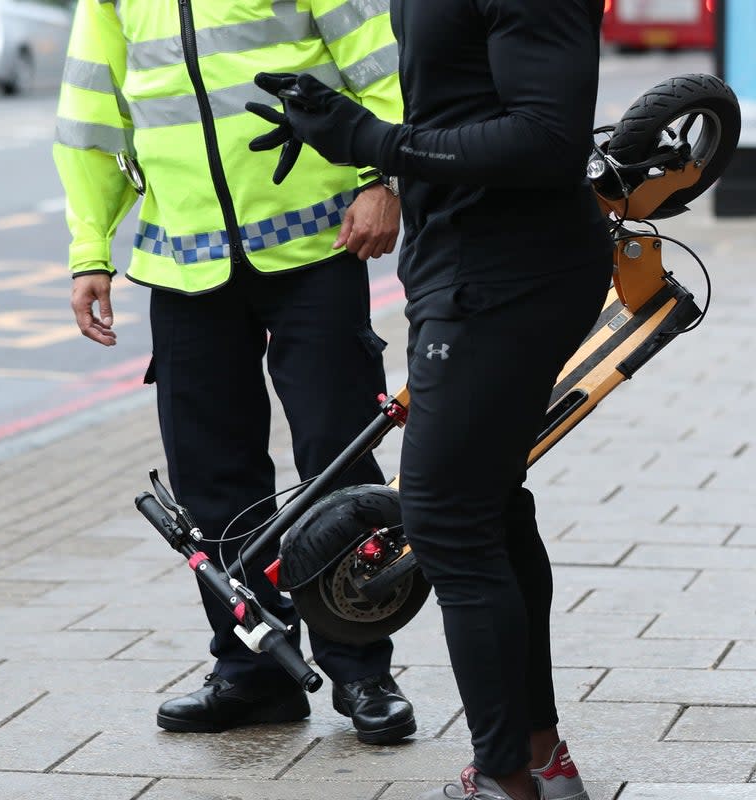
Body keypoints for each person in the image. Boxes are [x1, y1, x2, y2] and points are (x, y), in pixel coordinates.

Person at [248, 0, 610, 796]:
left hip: (509, 277)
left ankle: (506, 780)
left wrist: (375, 144)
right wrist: (339, 124)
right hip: (467, 265)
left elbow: (547, 139)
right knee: (489, 507)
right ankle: (538, 756)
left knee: (447, 520)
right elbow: (456, 102)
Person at [52, 0, 417, 745]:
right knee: (211, 476)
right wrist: (90, 247)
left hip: (318, 242)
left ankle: (360, 671)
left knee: (338, 462)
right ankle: (254, 672)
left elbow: (382, 66)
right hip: (182, 261)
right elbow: (93, 118)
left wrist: (385, 176)